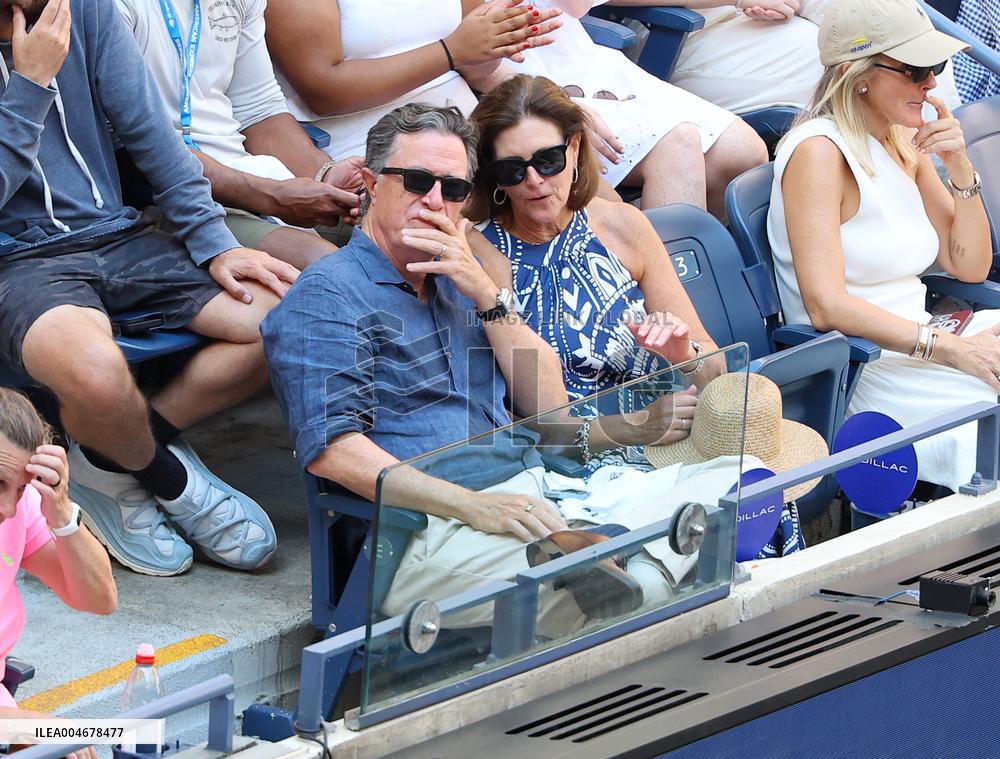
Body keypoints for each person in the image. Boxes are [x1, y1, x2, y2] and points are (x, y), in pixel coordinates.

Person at [262, 104, 747, 634]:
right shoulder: (328, 295)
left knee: (743, 480)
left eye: (451, 189)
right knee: (654, 586)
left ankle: (606, 555)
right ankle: (614, 561)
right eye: (418, 181)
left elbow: (549, 407)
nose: (433, 201)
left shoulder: (462, 281)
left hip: (535, 493)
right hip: (421, 529)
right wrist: (473, 507)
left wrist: (488, 294)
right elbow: (333, 453)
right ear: (373, 185)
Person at [0, 0, 289, 576]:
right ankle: (168, 478)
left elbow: (152, 136)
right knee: (97, 374)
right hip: (16, 261)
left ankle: (108, 459)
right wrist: (30, 83)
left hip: (118, 235)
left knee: (286, 321)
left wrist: (216, 243)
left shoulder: (85, 10)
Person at [768, 0, 997, 493]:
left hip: (927, 338)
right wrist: (953, 350)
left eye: (934, 68)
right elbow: (825, 305)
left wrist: (959, 167)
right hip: (867, 366)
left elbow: (970, 266)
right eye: (916, 70)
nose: (931, 83)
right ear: (858, 75)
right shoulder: (819, 152)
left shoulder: (896, 137)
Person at [468, 74, 719, 469]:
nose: (534, 181)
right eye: (513, 170)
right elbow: (532, 426)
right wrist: (635, 426)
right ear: (493, 176)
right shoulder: (484, 257)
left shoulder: (623, 225)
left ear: (574, 147)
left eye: (547, 160)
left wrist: (684, 354)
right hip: (575, 463)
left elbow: (715, 371)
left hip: (677, 442)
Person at [116, 0, 364, 269]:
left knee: (399, 236)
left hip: (251, 181)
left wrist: (323, 176)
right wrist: (271, 195)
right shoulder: (114, 8)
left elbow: (259, 111)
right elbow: (130, 147)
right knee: (327, 268)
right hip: (163, 197)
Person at [496, 0, 768, 215]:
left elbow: (577, 6)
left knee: (745, 152)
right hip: (516, 81)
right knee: (678, 144)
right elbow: (470, 59)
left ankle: (678, 257)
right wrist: (550, 102)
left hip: (580, 57)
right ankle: (663, 276)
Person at [263, 0, 562, 162]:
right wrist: (451, 52)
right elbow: (322, 90)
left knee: (577, 184)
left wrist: (500, 39)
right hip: (374, 151)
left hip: (470, 130)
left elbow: (475, 69)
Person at [0, 388, 116, 745]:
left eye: (20, 489)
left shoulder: (18, 513)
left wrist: (62, 514)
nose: (8, 508)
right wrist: (30, 727)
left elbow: (99, 599)